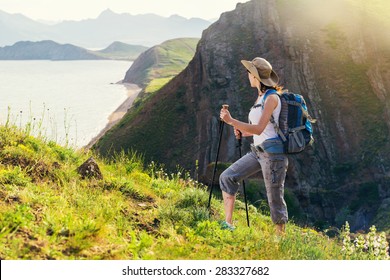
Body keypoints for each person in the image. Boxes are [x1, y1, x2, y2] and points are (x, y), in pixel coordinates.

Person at [219, 57, 289, 234]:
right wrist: (243, 132)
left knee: (274, 197)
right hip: (258, 152)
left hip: (273, 154)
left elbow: (258, 129)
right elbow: (262, 129)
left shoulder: (272, 98)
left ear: (256, 77)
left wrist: (231, 121)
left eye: (249, 72)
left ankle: (280, 239)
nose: (247, 75)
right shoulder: (260, 98)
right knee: (227, 177)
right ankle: (228, 224)